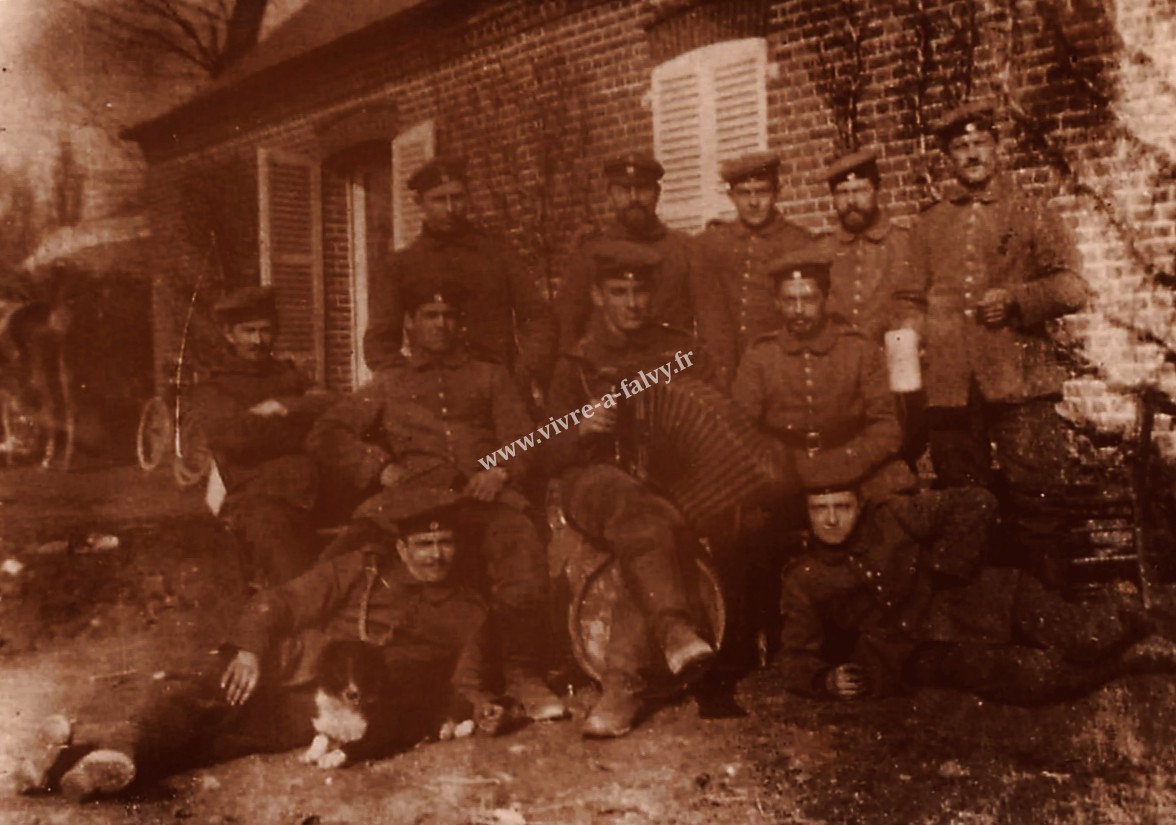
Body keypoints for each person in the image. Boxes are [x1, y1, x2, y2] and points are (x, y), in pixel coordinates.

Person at [15, 491, 516, 803]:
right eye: (424, 545)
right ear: (402, 547)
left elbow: (469, 683)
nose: (435, 555)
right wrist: (250, 650)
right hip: (289, 668)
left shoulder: (469, 611)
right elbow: (283, 601)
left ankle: (83, 759)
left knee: (223, 742)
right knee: (207, 698)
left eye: (445, 543)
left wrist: (485, 710)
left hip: (324, 711)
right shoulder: (360, 568)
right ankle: (104, 748)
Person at [308, 273, 567, 722]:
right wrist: (379, 467)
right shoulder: (389, 383)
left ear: (461, 323)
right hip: (410, 502)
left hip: (480, 497)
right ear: (410, 323)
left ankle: (522, 672)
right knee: (339, 559)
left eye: (449, 316)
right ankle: (315, 667)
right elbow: (326, 433)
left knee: (519, 543)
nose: (441, 324)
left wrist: (499, 469)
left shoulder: (491, 377)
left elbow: (526, 439)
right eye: (431, 315)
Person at [903, 101, 1088, 572]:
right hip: (952, 389)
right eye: (959, 147)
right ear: (947, 159)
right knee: (965, 504)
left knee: (1038, 498)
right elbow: (908, 299)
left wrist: (1016, 300)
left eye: (979, 143)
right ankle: (983, 624)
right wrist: (911, 333)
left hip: (1019, 382)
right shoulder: (928, 224)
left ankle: (1049, 614)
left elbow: (1072, 287)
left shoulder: (1032, 212)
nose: (970, 154)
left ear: (997, 148)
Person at [778, 484, 1173, 704]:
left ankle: (1151, 621)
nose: (831, 519)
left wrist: (946, 569)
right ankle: (1131, 662)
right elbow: (793, 656)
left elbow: (978, 501)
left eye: (841, 506)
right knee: (1031, 679)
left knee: (1084, 636)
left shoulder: (891, 516)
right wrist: (825, 681)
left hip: (982, 597)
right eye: (819, 509)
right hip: (919, 649)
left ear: (859, 504)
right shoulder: (804, 577)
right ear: (806, 514)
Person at [544, 239, 718, 738]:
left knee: (653, 523)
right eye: (619, 292)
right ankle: (673, 631)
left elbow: (714, 417)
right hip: (593, 481)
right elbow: (543, 453)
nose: (632, 303)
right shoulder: (575, 363)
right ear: (598, 296)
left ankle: (623, 685)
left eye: (640, 292)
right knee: (641, 513)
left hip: (668, 480)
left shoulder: (680, 351)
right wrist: (579, 428)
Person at [731, 248, 914, 501]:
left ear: (826, 299)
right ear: (776, 303)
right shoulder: (760, 355)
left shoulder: (859, 348)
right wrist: (778, 467)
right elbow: (740, 429)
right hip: (785, 473)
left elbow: (887, 426)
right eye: (788, 300)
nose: (798, 310)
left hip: (854, 465)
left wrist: (848, 462)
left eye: (808, 299)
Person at [362, 156, 557, 389]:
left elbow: (537, 317)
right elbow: (379, 342)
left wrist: (524, 371)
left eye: (457, 197)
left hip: (500, 384)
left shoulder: (498, 253)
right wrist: (410, 384)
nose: (450, 209)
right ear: (419, 202)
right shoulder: (402, 265)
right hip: (435, 393)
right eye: (438, 200)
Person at [189, 285, 333, 587]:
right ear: (230, 334)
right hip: (261, 500)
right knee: (296, 580)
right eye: (248, 331)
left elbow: (336, 405)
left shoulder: (291, 375)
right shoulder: (215, 388)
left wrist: (285, 405)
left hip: (320, 490)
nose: (257, 340)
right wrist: (305, 426)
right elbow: (238, 437)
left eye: (265, 330)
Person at [555, 152, 729, 368]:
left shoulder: (685, 249)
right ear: (610, 195)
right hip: (605, 378)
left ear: (657, 193)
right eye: (624, 190)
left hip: (670, 374)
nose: (634, 198)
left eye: (643, 189)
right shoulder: (590, 251)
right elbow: (567, 327)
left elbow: (713, 328)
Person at [693, 150, 815, 382]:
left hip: (779, 368)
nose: (753, 202)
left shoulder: (799, 242)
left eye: (762, 191)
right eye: (744, 193)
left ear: (777, 193)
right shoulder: (710, 244)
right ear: (731, 196)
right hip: (723, 370)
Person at [815, 148, 919, 343]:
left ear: (876, 190)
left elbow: (915, 307)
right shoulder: (821, 251)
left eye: (860, 190)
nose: (851, 201)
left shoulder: (905, 243)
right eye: (842, 193)